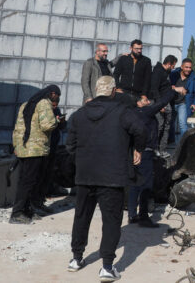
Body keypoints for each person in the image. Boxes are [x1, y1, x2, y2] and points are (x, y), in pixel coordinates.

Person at [66, 76, 147, 281]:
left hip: (85, 175)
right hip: (112, 176)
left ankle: (76, 258)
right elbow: (141, 130)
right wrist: (137, 149)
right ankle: (107, 267)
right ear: (113, 92)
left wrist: (82, 160)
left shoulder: (79, 114)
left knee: (81, 216)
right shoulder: (122, 112)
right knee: (111, 221)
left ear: (95, 90)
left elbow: (70, 145)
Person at [128, 78, 176, 227]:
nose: (148, 101)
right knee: (146, 184)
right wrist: (174, 91)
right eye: (144, 100)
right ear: (138, 103)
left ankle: (132, 215)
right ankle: (143, 216)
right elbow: (161, 103)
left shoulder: (130, 113)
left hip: (132, 152)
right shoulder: (145, 112)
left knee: (134, 184)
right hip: (145, 153)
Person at [10, 85, 62, 224]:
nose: (57, 100)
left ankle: (26, 211)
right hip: (36, 149)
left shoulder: (26, 104)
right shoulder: (44, 103)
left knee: (25, 180)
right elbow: (47, 125)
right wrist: (57, 120)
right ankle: (17, 213)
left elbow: (18, 127)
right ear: (52, 94)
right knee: (30, 182)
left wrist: (16, 145)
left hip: (24, 148)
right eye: (57, 96)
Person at [150, 55, 180, 155]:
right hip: (160, 103)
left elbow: (163, 86)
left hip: (166, 102)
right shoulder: (158, 71)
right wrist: (160, 105)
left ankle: (162, 150)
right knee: (159, 125)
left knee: (166, 127)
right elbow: (154, 88)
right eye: (173, 66)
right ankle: (154, 149)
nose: (173, 68)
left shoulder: (165, 73)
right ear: (168, 64)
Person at [169, 57, 195, 143]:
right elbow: (166, 86)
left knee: (182, 124)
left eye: (190, 67)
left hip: (183, 104)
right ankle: (171, 141)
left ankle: (183, 144)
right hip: (171, 102)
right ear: (182, 67)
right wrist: (174, 88)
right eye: (186, 67)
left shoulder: (194, 78)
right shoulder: (173, 74)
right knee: (170, 123)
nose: (188, 69)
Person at [113, 39, 152, 106]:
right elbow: (116, 74)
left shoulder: (146, 61)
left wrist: (144, 94)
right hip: (124, 93)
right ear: (131, 48)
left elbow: (148, 79)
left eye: (140, 49)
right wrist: (118, 88)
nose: (139, 51)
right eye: (137, 49)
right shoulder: (123, 59)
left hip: (138, 95)